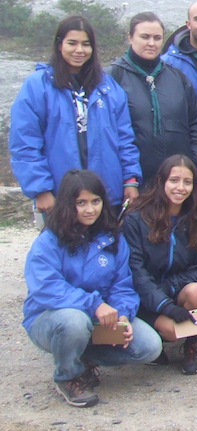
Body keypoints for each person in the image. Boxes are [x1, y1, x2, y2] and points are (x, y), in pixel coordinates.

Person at [23, 169, 163, 408]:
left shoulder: (112, 238)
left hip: (99, 318)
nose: (90, 209)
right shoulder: (48, 241)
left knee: (150, 346)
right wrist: (95, 304)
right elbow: (47, 287)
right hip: (50, 319)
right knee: (74, 321)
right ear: (68, 204)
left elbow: (123, 285)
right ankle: (68, 377)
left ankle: (81, 358)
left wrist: (123, 314)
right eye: (81, 203)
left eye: (95, 201)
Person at [10, 14, 141, 214]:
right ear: (59, 45)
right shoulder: (38, 86)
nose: (79, 50)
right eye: (72, 43)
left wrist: (130, 180)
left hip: (106, 195)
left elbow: (125, 140)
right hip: (60, 196)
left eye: (86, 44)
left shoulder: (108, 88)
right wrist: (40, 189)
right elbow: (25, 143)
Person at [124, 155, 197, 376]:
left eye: (187, 182)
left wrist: (170, 289)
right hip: (144, 298)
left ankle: (193, 344)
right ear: (161, 181)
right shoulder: (136, 219)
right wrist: (164, 305)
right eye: (174, 180)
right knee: (171, 332)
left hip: (175, 291)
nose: (180, 188)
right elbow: (136, 272)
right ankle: (154, 337)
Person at [109, 11, 197, 185]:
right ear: (130, 37)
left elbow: (196, 123)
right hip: (133, 180)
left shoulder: (178, 78)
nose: (151, 43)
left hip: (176, 181)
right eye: (145, 37)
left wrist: (193, 161)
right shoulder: (113, 77)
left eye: (157, 38)